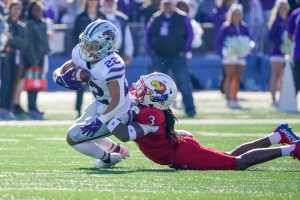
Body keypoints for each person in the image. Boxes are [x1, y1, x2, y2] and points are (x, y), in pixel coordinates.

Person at [105, 72, 300, 170]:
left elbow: (124, 135)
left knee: (237, 163)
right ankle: (278, 135)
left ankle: (292, 149)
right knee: (230, 156)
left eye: (144, 89)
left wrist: (105, 117)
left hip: (181, 154)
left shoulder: (151, 114)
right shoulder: (151, 109)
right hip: (179, 148)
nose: (139, 90)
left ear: (155, 97)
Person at [53, 19, 151, 168]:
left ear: (106, 46)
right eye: (85, 43)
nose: (85, 48)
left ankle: (108, 159)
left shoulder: (112, 65)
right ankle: (119, 151)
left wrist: (100, 120)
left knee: (72, 138)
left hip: (117, 112)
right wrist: (59, 78)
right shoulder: (81, 53)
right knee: (85, 133)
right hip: (99, 104)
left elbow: (117, 102)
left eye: (91, 45)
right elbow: (62, 69)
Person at [145, 0, 196, 117]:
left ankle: (190, 109)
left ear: (174, 4)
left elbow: (190, 34)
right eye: (165, 4)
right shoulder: (156, 17)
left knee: (184, 82)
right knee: (156, 84)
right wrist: (150, 49)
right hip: (159, 55)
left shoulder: (182, 17)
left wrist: (184, 49)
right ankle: (155, 110)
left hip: (177, 55)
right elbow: (147, 34)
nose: (167, 6)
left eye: (169, 4)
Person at [217, 3, 251, 109]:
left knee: (237, 77)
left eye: (238, 14)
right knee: (229, 76)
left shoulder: (244, 27)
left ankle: (235, 98)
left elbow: (249, 40)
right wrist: (228, 48)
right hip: (230, 56)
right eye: (235, 14)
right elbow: (220, 41)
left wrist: (245, 49)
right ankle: (228, 98)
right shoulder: (226, 26)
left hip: (240, 56)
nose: (237, 16)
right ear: (231, 15)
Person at [72, 0, 101, 117]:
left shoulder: (102, 16)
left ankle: (99, 107)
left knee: (97, 83)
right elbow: (74, 35)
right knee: (80, 81)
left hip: (99, 56)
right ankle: (78, 109)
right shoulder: (80, 17)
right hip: (83, 55)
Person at [23, 0, 50, 120]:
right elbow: (29, 44)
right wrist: (33, 59)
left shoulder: (43, 23)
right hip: (32, 58)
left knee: (37, 83)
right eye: (35, 10)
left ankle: (34, 106)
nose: (38, 12)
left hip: (41, 57)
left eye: (39, 9)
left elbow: (44, 41)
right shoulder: (29, 24)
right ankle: (31, 107)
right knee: (31, 84)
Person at [0, 1, 27, 120]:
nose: (16, 11)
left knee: (13, 84)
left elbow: (23, 43)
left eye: (19, 9)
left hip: (16, 58)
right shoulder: (4, 23)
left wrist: (11, 39)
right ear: (9, 9)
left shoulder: (21, 26)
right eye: (14, 8)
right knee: (4, 83)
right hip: (4, 57)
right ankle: (2, 108)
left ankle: (9, 108)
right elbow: (3, 38)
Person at [268, 0, 290, 107]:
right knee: (275, 75)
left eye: (285, 7)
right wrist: (281, 42)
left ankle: (282, 98)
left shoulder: (287, 21)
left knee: (283, 77)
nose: (283, 9)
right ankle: (273, 98)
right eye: (281, 7)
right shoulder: (276, 21)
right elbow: (271, 36)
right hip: (277, 53)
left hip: (286, 54)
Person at [99, 0, 134, 66]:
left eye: (112, 1)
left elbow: (128, 38)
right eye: (107, 1)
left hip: (119, 55)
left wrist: (128, 53)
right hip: (101, 57)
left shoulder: (123, 19)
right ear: (102, 3)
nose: (110, 3)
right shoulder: (97, 17)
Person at [287, 7, 300, 96]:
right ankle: (292, 100)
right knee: (296, 79)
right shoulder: (296, 14)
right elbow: (289, 34)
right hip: (298, 53)